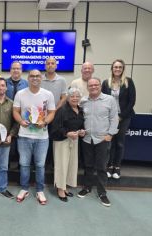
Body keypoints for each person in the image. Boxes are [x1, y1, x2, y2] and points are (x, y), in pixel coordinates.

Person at [13, 69, 56, 205]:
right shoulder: (20, 93)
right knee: (24, 164)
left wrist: (45, 122)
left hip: (42, 137)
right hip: (24, 136)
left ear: (41, 78)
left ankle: (40, 190)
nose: (35, 78)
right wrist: (20, 121)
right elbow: (15, 111)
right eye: (32, 76)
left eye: (37, 76)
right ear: (28, 78)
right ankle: (24, 188)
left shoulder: (48, 94)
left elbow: (51, 112)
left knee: (40, 165)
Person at [77, 77, 118, 207]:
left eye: (96, 85)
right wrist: (80, 130)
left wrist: (110, 134)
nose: (93, 87)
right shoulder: (83, 101)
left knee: (101, 167)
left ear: (100, 86)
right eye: (91, 85)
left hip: (102, 139)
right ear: (87, 87)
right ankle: (87, 187)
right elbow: (79, 118)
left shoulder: (109, 100)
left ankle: (102, 193)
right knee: (88, 166)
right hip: (87, 139)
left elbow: (114, 118)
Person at [101, 59, 136, 179]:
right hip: (109, 118)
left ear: (123, 69)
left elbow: (132, 101)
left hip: (124, 117)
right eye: (115, 67)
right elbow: (102, 100)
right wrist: (112, 117)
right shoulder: (106, 83)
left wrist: (120, 117)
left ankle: (117, 167)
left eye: (120, 67)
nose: (117, 69)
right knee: (109, 142)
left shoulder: (128, 82)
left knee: (120, 143)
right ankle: (109, 166)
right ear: (112, 69)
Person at [50, 88, 85, 202]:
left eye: (77, 96)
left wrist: (82, 131)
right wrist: (67, 133)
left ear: (80, 98)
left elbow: (81, 124)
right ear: (68, 98)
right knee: (62, 165)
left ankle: (65, 187)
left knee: (71, 165)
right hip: (62, 141)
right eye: (72, 96)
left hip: (74, 141)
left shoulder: (80, 110)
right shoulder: (62, 110)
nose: (74, 98)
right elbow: (55, 128)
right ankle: (60, 189)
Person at [41, 57, 68, 168]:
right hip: (42, 116)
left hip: (56, 115)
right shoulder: (40, 79)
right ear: (45, 65)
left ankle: (52, 164)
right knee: (42, 139)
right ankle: (43, 163)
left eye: (53, 63)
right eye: (48, 63)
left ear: (56, 65)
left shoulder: (62, 80)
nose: (50, 65)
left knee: (54, 139)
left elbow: (64, 96)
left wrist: (55, 110)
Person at [5, 61, 28, 167]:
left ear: (21, 71)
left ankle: (20, 165)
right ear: (10, 70)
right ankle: (6, 164)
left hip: (21, 117)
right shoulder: (4, 83)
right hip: (7, 116)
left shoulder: (26, 84)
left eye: (18, 68)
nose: (15, 70)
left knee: (21, 142)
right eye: (13, 68)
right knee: (7, 140)